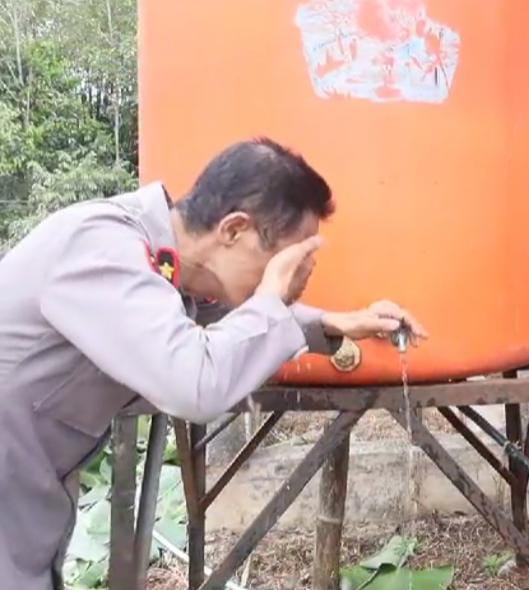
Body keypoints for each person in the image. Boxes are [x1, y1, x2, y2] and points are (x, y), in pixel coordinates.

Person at [0, 137, 428, 589]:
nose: (294, 279)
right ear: (233, 230)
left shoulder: (160, 265)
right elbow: (194, 384)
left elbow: (219, 317)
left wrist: (332, 323)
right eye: (285, 259)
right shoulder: (100, 248)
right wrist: (272, 295)